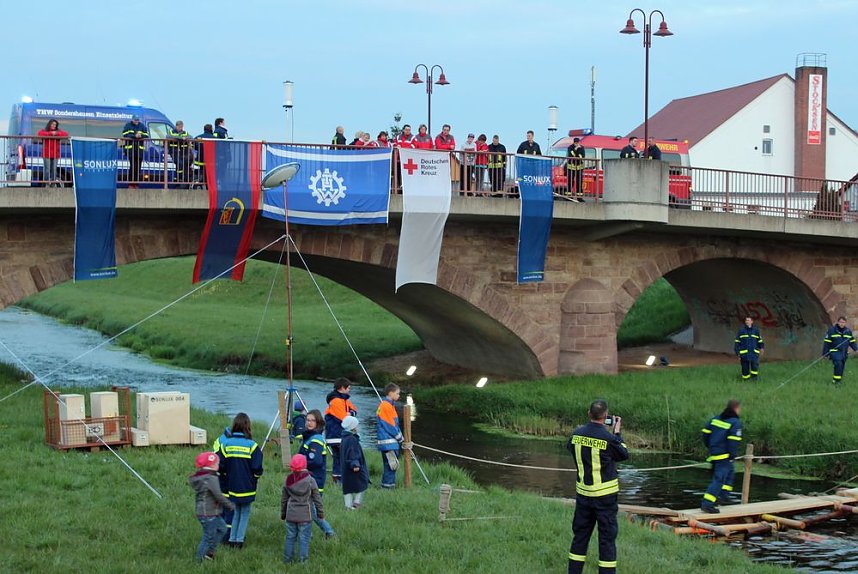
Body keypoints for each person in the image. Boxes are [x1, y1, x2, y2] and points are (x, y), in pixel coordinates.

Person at [567, 400, 629, 574]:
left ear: (589, 414)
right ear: (606, 416)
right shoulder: (609, 439)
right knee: (606, 540)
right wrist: (617, 433)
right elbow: (623, 454)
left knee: (580, 538)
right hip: (605, 498)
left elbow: (570, 447)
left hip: (583, 496)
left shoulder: (576, 435)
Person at [217, 412, 263, 548]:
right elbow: (257, 468)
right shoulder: (252, 446)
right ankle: (239, 541)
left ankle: (232, 539)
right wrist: (254, 479)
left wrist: (227, 476)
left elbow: (220, 465)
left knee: (236, 512)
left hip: (231, 487)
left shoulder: (226, 444)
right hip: (247, 487)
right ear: (248, 427)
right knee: (245, 513)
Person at [189, 451, 234, 563]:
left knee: (222, 529)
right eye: (217, 463)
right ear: (212, 465)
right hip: (208, 514)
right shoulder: (210, 478)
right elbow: (218, 495)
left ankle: (210, 552)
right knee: (208, 537)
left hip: (212, 512)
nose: (218, 465)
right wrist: (230, 505)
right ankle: (198, 561)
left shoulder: (204, 476)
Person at [700, 399, 743, 514]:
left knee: (730, 474)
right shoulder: (735, 422)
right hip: (724, 456)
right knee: (719, 480)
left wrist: (710, 446)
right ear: (736, 408)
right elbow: (733, 441)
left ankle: (723, 497)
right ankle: (707, 504)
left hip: (714, 453)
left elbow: (705, 433)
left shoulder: (715, 419)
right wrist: (732, 455)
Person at [280, 454, 324, 564]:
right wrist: (320, 513)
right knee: (304, 539)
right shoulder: (311, 480)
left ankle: (287, 560)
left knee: (290, 537)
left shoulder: (288, 479)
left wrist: (283, 513)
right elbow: (317, 499)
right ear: (305, 465)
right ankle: (303, 562)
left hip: (291, 515)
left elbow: (284, 499)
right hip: (305, 516)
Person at [298, 409, 336, 538]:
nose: (309, 423)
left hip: (313, 480)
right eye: (307, 420)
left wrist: (299, 464)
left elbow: (316, 461)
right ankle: (328, 532)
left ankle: (307, 535)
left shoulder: (316, 440)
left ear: (318, 422)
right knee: (311, 511)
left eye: (312, 421)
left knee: (306, 509)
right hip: (307, 478)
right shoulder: (310, 437)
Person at [324, 378, 358, 484]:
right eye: (348, 388)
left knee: (339, 457)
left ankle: (339, 478)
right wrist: (350, 416)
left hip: (339, 435)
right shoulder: (336, 401)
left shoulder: (344, 400)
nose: (349, 390)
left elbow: (354, 410)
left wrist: (350, 414)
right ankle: (339, 479)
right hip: (336, 435)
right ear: (343, 388)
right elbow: (344, 419)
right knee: (341, 458)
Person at [377, 383, 404, 489]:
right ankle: (388, 487)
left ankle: (387, 485)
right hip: (389, 442)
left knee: (390, 465)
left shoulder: (389, 405)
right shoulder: (386, 406)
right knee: (391, 465)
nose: (398, 395)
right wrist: (399, 437)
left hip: (388, 442)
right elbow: (390, 425)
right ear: (391, 393)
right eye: (397, 393)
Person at [340, 415, 369, 509]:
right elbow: (352, 453)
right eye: (356, 425)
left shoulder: (344, 438)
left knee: (347, 487)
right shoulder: (352, 439)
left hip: (346, 468)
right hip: (354, 467)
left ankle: (348, 506)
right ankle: (356, 504)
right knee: (363, 483)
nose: (357, 427)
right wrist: (355, 464)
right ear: (352, 427)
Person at [211, 425, 234, 542]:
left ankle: (218, 532)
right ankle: (226, 536)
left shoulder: (219, 440)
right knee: (229, 509)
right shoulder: (227, 444)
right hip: (226, 478)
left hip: (218, 478)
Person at [822, 316, 858, 385]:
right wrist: (825, 353)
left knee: (841, 366)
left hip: (844, 352)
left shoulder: (848, 331)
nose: (842, 324)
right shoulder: (832, 330)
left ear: (845, 323)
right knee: (838, 364)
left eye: (843, 322)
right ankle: (837, 381)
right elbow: (827, 342)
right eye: (840, 322)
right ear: (838, 322)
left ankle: (836, 380)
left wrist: (856, 349)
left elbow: (852, 342)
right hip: (834, 351)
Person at [37, 119, 68, 188]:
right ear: (49, 124)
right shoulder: (44, 131)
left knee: (54, 170)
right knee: (47, 170)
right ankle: (46, 183)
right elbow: (39, 133)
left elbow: (65, 134)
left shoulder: (58, 131)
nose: (54, 126)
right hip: (46, 154)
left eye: (55, 125)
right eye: (53, 124)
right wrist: (51, 133)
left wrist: (56, 133)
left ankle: (53, 184)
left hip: (55, 154)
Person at [121, 115, 148, 188]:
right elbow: (125, 134)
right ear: (132, 120)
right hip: (131, 150)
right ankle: (131, 183)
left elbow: (146, 135)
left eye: (138, 120)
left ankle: (136, 183)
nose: (137, 121)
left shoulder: (142, 126)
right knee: (132, 167)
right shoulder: (128, 125)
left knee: (138, 167)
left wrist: (141, 136)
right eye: (135, 120)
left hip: (139, 150)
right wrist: (134, 136)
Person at [734, 317, 764, 381]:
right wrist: (737, 353)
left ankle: (754, 379)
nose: (747, 321)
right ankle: (746, 380)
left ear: (752, 321)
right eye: (746, 320)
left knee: (754, 366)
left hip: (754, 353)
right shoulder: (741, 331)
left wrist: (761, 348)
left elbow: (759, 340)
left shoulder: (756, 330)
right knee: (745, 367)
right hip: (744, 353)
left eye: (748, 320)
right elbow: (737, 342)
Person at [168, 120, 193, 187]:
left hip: (183, 152)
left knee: (182, 164)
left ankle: (179, 179)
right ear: (176, 126)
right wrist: (180, 138)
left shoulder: (185, 132)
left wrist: (185, 138)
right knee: (179, 163)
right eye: (179, 127)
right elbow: (169, 136)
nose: (181, 128)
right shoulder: (171, 131)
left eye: (181, 127)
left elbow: (191, 137)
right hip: (174, 151)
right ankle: (179, 178)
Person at [565, 136, 586, 201]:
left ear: (579, 142)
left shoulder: (582, 148)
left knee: (579, 181)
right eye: (575, 143)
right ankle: (569, 196)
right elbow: (571, 155)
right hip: (571, 167)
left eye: (577, 143)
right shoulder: (570, 147)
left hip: (579, 167)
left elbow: (582, 156)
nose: (576, 144)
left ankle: (579, 197)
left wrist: (577, 154)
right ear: (573, 142)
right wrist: (576, 149)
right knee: (570, 181)